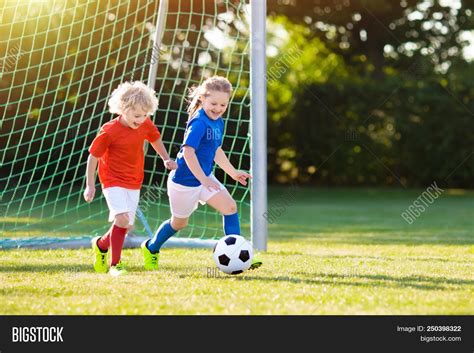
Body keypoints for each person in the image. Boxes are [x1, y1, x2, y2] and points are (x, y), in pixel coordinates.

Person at [141, 76, 261, 270]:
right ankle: (151, 247)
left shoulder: (218, 121)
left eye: (223, 104)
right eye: (213, 103)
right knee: (179, 223)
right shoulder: (198, 122)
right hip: (184, 182)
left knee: (230, 207)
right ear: (203, 99)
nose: (218, 108)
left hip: (204, 179)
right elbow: (188, 152)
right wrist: (203, 179)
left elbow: (216, 150)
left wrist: (232, 172)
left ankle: (239, 255)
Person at [84, 81, 177, 276]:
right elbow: (93, 157)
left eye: (145, 115)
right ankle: (115, 265)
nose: (141, 119)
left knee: (125, 223)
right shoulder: (109, 131)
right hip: (111, 180)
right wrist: (90, 185)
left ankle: (101, 245)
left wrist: (166, 158)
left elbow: (154, 138)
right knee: (122, 219)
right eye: (137, 115)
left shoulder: (145, 124)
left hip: (134, 181)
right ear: (124, 109)